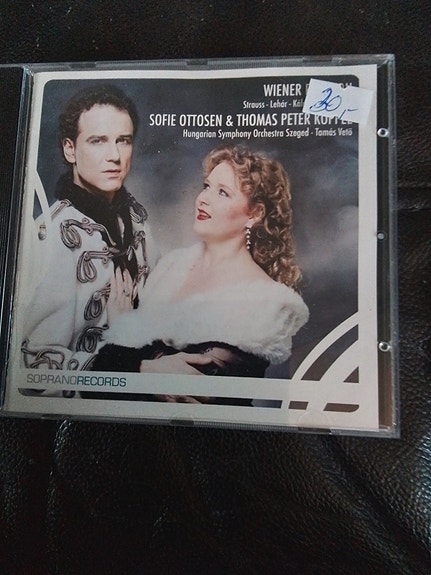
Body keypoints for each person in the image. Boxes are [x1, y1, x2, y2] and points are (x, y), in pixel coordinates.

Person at [92, 145, 309, 402]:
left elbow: (191, 393)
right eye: (207, 186)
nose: (204, 199)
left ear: (254, 213)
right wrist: (128, 339)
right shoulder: (170, 267)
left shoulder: (267, 302)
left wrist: (125, 345)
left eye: (223, 192)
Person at [21, 85, 159, 372]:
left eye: (123, 141)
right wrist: (128, 361)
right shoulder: (50, 237)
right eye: (98, 141)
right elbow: (36, 365)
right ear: (70, 149)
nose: (115, 156)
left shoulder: (138, 222)